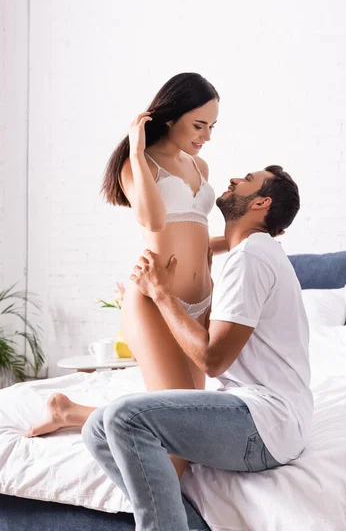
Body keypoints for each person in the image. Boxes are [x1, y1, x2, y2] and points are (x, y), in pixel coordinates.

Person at [81, 165, 314, 531]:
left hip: (266, 424)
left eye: (248, 180)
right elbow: (210, 331)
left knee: (125, 417)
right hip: (263, 419)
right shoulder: (253, 251)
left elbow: (212, 359)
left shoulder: (251, 257)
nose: (236, 178)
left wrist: (160, 293)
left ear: (261, 202)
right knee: (96, 428)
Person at [25, 73, 224, 473]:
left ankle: (69, 410)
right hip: (154, 303)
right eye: (199, 125)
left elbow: (197, 239)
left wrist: (242, 241)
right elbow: (153, 220)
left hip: (199, 305)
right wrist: (136, 151)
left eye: (212, 127)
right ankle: (71, 414)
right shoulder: (138, 166)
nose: (206, 136)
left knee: (190, 424)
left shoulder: (198, 165)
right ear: (171, 117)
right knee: (178, 447)